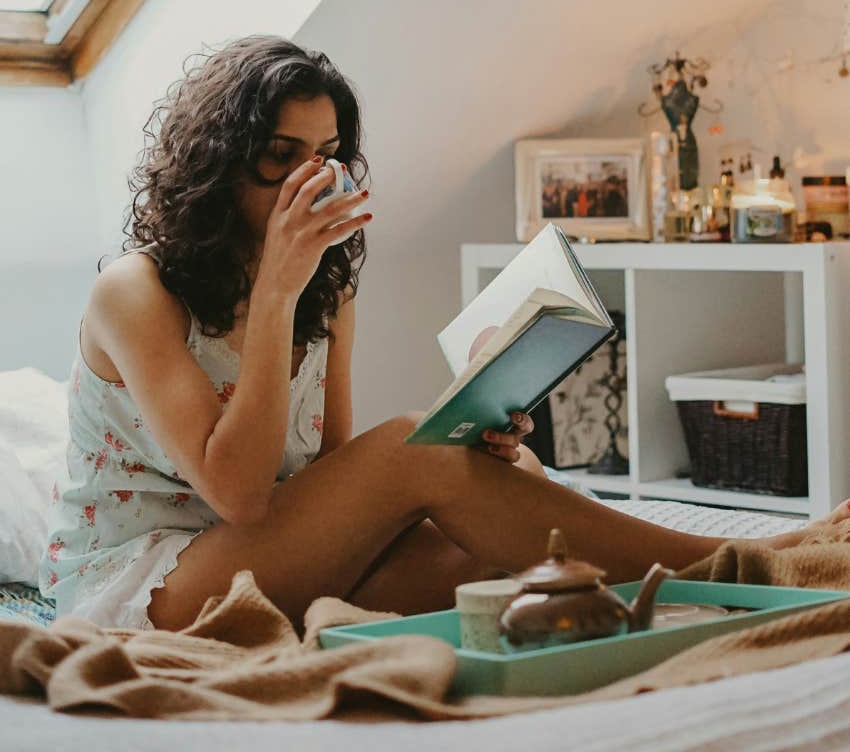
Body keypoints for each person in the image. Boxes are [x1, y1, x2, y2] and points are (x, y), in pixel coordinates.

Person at [38, 36, 850, 633]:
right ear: (218, 163)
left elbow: (325, 477)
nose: (310, 179)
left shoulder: (328, 279)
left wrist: (475, 445)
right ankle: (742, 565)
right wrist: (277, 291)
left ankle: (706, 574)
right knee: (414, 452)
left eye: (326, 155)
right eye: (280, 156)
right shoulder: (135, 293)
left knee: (506, 504)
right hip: (149, 579)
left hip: (264, 555)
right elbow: (240, 496)